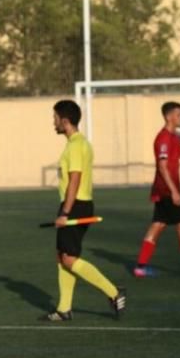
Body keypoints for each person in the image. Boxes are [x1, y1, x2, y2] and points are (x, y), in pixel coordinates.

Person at [40, 100, 126, 321]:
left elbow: (75, 180)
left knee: (68, 258)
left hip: (75, 205)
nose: (53, 123)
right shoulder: (79, 143)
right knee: (63, 255)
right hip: (77, 204)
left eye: (55, 118)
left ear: (65, 121)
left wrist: (65, 213)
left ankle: (114, 292)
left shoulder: (76, 146)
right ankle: (64, 308)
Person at [133, 101, 180, 276]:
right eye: (179, 115)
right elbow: (162, 166)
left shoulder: (173, 137)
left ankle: (140, 267)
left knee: (158, 225)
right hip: (166, 190)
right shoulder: (164, 139)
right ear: (169, 116)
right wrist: (174, 191)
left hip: (165, 190)